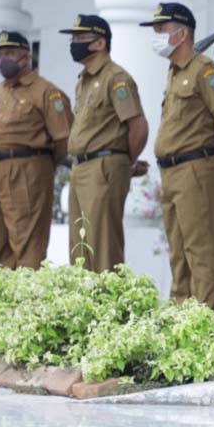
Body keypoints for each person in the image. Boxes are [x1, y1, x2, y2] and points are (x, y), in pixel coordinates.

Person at [141, 2, 214, 312]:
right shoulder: (174, 72)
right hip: (171, 170)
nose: (157, 36)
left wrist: (205, 155)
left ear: (182, 34)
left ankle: (203, 320)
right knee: (177, 250)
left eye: (162, 29)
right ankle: (179, 313)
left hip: (195, 166)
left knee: (200, 249)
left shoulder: (205, 71)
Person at [0, 30, 73, 269]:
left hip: (24, 170)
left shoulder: (46, 92)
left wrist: (39, 168)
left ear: (26, 57)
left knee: (27, 244)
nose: (2, 59)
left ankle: (26, 302)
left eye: (9, 53)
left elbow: (65, 139)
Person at [61, 14, 149, 272]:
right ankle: (85, 307)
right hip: (81, 167)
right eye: (74, 38)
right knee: (79, 247)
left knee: (102, 247)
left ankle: (109, 305)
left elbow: (138, 127)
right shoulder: (84, 80)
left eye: (80, 38)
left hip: (103, 166)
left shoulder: (116, 78)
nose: (74, 43)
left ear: (99, 43)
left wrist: (123, 163)